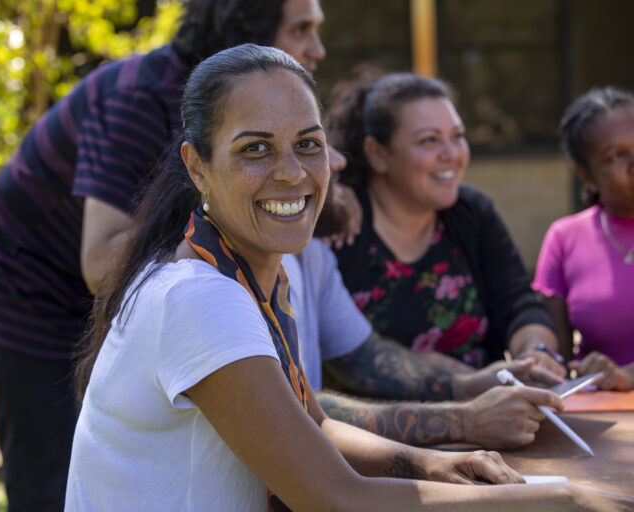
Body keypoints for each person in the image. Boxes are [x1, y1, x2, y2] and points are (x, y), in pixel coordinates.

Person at [67, 44, 632, 512]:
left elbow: (312, 425)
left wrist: (433, 461)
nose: (291, 173)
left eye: (307, 144)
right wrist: (567, 499)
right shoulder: (197, 296)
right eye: (255, 149)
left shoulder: (257, 272)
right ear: (197, 166)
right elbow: (334, 498)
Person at [0, 1, 327, 509]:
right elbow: (100, 261)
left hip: (113, 299)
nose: (317, 49)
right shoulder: (139, 98)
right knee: (48, 479)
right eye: (302, 28)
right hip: (25, 294)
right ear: (248, 24)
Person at [326, 70, 566, 375]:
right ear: (377, 154)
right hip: (376, 420)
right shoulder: (342, 224)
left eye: (458, 136)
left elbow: (518, 304)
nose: (452, 154)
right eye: (429, 140)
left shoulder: (471, 213)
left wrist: (535, 352)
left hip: (489, 411)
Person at [283, 237, 566, 449]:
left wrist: (471, 383)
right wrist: (465, 421)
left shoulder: (311, 254)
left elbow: (363, 357)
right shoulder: (244, 279)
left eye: (313, 152)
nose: (339, 162)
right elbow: (292, 406)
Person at [533, 86, 634, 391]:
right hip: (605, 418)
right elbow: (557, 362)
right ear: (585, 174)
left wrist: (629, 376)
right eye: (617, 156)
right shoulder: (565, 238)